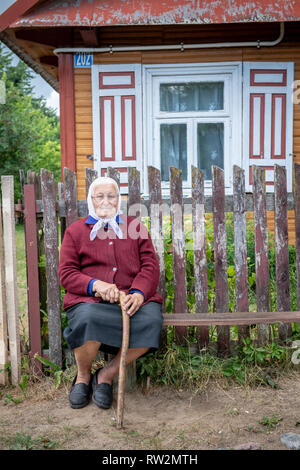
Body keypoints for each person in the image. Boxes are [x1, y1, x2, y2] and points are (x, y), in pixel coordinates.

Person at [58, 176, 163, 410]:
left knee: (152, 320)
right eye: (99, 196)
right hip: (89, 301)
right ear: (90, 201)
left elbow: (150, 266)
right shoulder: (75, 231)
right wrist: (96, 284)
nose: (106, 201)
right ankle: (83, 376)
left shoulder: (135, 228)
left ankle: (106, 375)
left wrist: (138, 293)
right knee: (88, 319)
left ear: (119, 200)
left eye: (111, 196)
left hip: (130, 300)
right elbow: (66, 273)